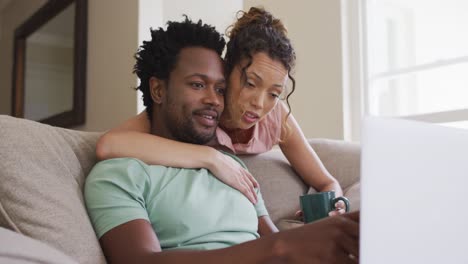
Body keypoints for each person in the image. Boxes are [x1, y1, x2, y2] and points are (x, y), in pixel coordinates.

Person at [85, 17, 359, 264]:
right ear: (158, 89)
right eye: (197, 85)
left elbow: (277, 238)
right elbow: (109, 145)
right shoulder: (121, 173)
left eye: (219, 89)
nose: (214, 100)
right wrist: (210, 157)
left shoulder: (235, 163)